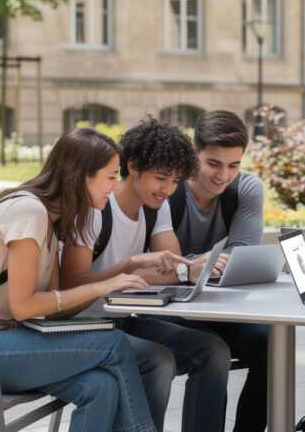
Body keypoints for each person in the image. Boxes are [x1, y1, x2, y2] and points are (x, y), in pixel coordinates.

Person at [0, 127, 156, 432]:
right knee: (114, 344)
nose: (116, 186)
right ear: (80, 177)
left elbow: (53, 310)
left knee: (101, 385)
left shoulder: (51, 219)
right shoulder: (29, 212)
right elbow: (23, 307)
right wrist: (101, 287)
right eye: (111, 176)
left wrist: (118, 274)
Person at [60, 117, 232, 432]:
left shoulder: (156, 207)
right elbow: (69, 284)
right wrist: (133, 267)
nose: (168, 189)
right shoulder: (96, 208)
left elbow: (171, 268)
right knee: (159, 360)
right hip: (81, 326)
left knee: (214, 351)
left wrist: (192, 269)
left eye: (176, 181)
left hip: (122, 321)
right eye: (161, 178)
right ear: (133, 166)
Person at [163, 109, 270, 432]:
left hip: (223, 306)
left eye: (234, 165)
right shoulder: (168, 189)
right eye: (213, 163)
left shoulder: (247, 189)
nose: (224, 175)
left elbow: (241, 255)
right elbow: (159, 263)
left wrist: (192, 261)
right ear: (193, 152)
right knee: (214, 352)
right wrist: (197, 264)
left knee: (272, 346)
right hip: (172, 306)